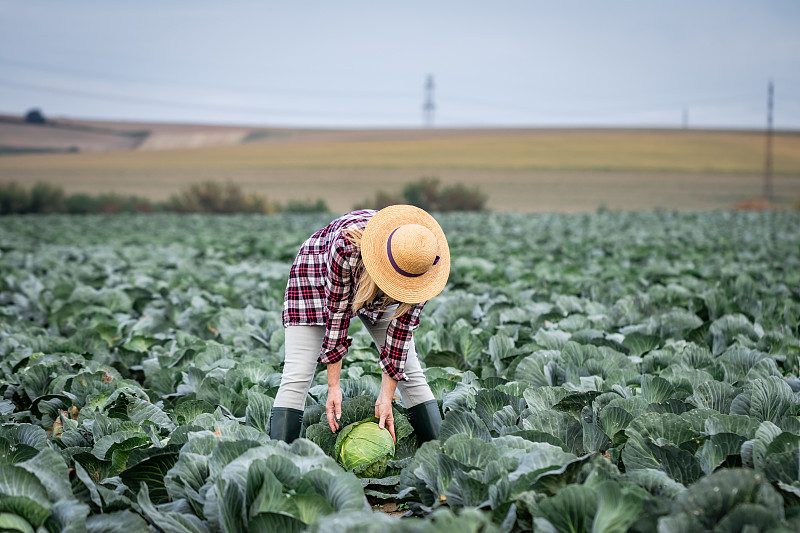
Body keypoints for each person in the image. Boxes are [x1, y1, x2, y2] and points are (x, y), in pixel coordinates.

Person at [268, 204, 449, 444]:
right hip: (316, 275)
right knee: (297, 375)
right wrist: (333, 386)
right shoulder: (346, 247)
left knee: (411, 372)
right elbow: (338, 317)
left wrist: (386, 398)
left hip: (377, 284)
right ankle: (279, 456)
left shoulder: (422, 266)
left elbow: (400, 338)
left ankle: (437, 455)